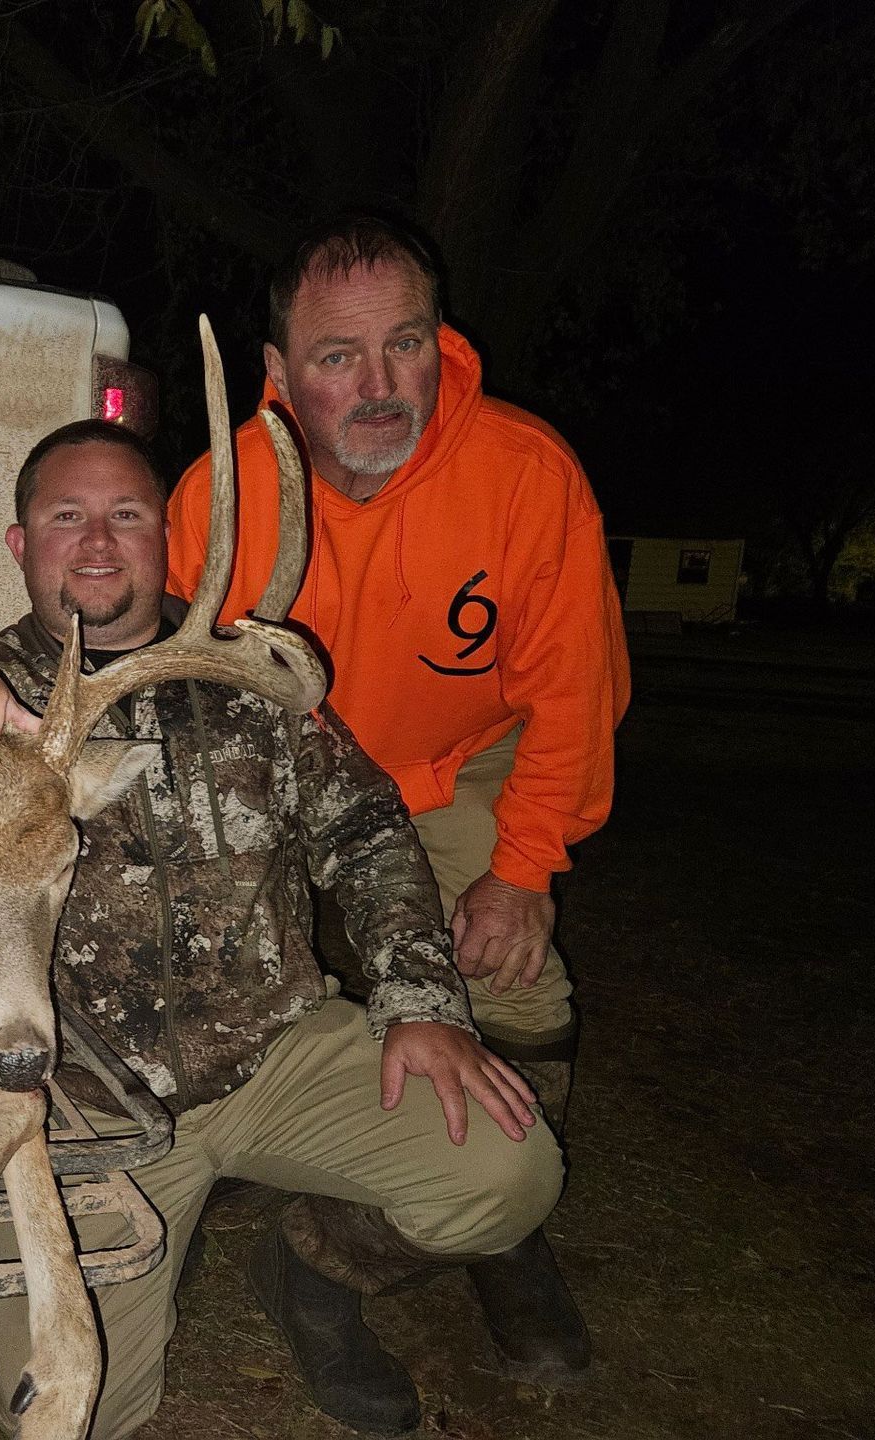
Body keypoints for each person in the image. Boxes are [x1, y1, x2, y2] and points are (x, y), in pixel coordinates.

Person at [0, 419, 586, 1438]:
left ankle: (309, 1262)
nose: (98, 541)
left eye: (126, 514)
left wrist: (420, 1001)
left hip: (277, 1051)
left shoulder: (253, 676)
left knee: (505, 1170)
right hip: (90, 1103)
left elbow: (365, 827)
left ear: (165, 538)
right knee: (65, 1419)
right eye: (66, 517)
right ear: (21, 544)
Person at [166, 215, 631, 1139]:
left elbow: (576, 702)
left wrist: (523, 872)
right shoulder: (219, 494)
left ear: (439, 341)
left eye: (405, 345)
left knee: (515, 975)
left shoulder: (528, 477)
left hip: (451, 765)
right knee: (205, 972)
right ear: (279, 368)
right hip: (279, 775)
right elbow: (178, 702)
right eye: (338, 357)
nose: (379, 387)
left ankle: (493, 1181)